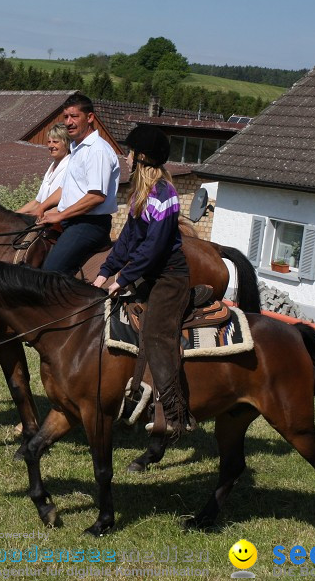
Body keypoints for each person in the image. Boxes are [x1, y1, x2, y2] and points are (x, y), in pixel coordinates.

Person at [92, 125, 193, 437]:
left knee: (156, 335)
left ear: (142, 157)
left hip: (170, 278)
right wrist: (103, 273)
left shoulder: (167, 196)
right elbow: (126, 241)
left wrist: (123, 278)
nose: (127, 156)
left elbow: (153, 248)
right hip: (147, 273)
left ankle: (176, 415)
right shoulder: (140, 194)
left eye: (130, 151)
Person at [35, 94, 119, 275]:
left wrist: (59, 215)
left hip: (89, 225)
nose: (69, 122)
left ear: (89, 118)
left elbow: (96, 196)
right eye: (65, 117)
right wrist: (43, 206)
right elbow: (65, 188)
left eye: (74, 116)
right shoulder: (76, 148)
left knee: (51, 272)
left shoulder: (97, 150)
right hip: (70, 221)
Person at [17, 123, 71, 215]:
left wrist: (33, 216)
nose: (51, 146)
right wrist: (13, 215)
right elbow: (37, 202)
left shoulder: (70, 167)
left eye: (55, 142)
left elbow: (64, 204)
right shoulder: (51, 169)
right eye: (49, 142)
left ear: (66, 143)